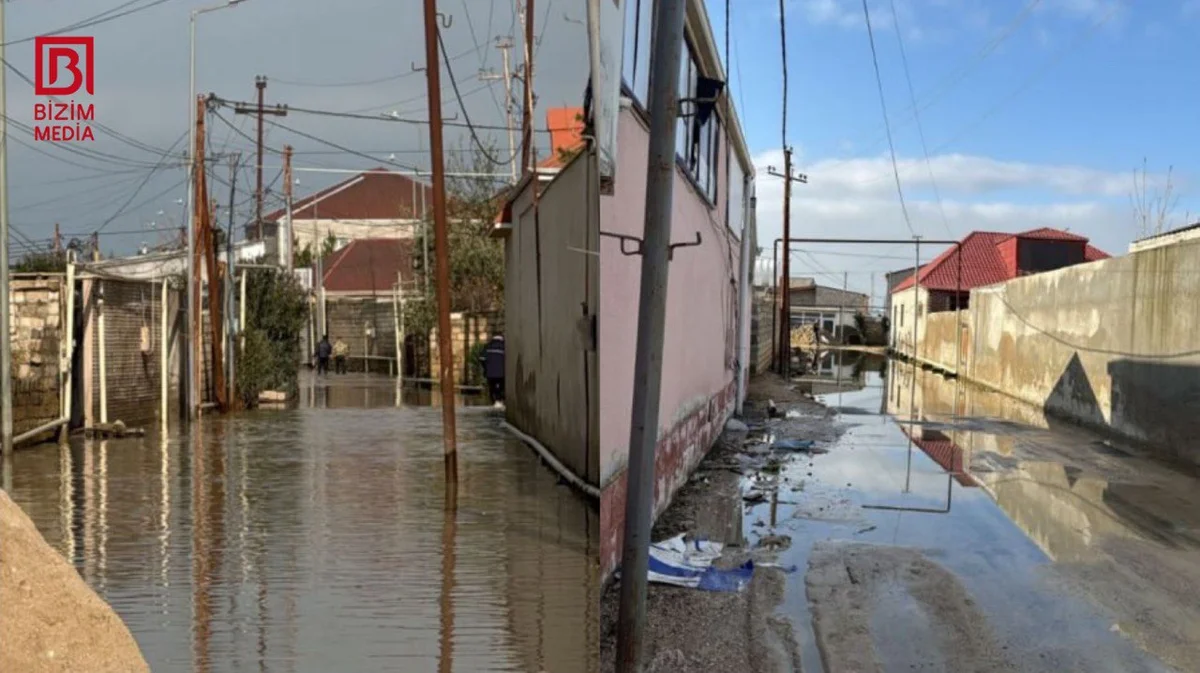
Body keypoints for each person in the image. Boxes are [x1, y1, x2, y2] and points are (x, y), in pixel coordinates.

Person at [478, 333, 505, 406]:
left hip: (490, 373)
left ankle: (494, 401)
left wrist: (486, 367)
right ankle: (500, 399)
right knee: (501, 386)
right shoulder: (504, 346)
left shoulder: (488, 346)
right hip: (502, 372)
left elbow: (482, 358)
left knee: (492, 387)